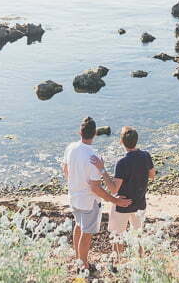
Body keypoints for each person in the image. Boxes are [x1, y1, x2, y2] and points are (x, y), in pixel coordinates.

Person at [62, 117, 131, 272]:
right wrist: (115, 200)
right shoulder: (93, 157)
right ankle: (84, 266)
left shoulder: (71, 147)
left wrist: (74, 183)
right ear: (94, 133)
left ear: (80, 132)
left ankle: (79, 259)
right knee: (86, 235)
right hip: (89, 202)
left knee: (78, 227)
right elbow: (95, 188)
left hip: (74, 197)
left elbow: (65, 169)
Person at [91, 126, 155, 258]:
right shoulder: (146, 156)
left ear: (121, 142)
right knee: (138, 235)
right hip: (140, 203)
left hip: (122, 205)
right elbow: (152, 175)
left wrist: (102, 170)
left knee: (117, 236)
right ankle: (140, 261)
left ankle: (118, 263)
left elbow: (114, 189)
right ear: (136, 141)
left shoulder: (122, 162)